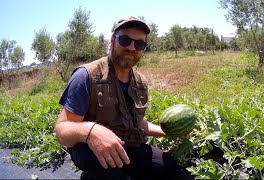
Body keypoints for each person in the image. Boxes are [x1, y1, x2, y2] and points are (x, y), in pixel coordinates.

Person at [55, 16, 193, 180]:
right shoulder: (86, 75)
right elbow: (61, 130)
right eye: (125, 40)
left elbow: (136, 122)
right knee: (107, 173)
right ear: (113, 40)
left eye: (139, 44)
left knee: (168, 166)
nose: (132, 48)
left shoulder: (140, 82)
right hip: (93, 151)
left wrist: (168, 132)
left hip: (127, 146)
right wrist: (91, 131)